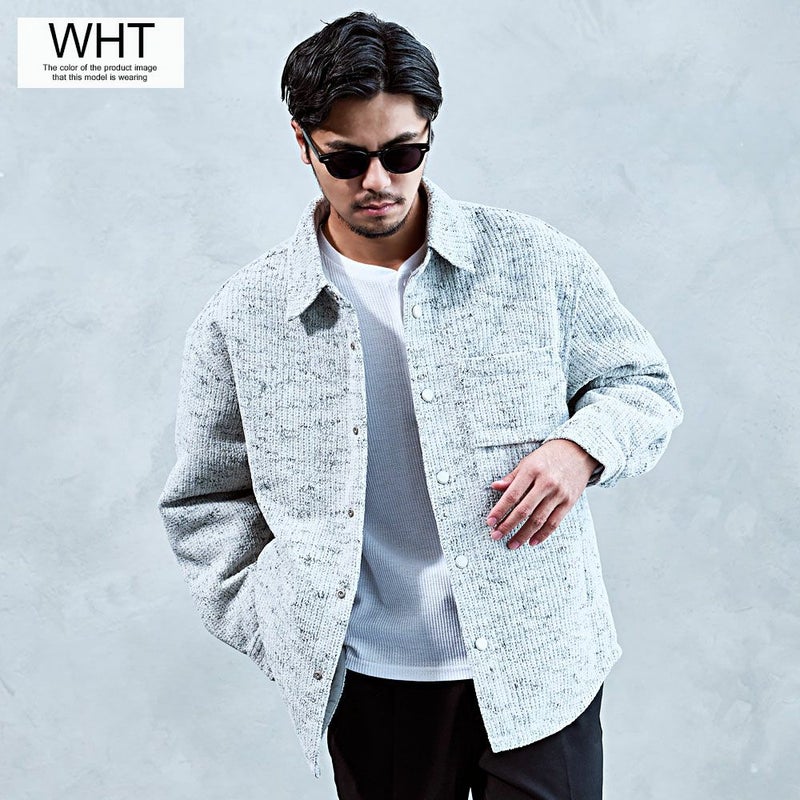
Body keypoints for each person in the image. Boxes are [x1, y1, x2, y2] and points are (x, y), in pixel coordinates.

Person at [158, 10, 683, 799]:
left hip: (541, 667)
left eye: (402, 153)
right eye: (347, 159)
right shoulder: (246, 317)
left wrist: (580, 449)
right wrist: (279, 620)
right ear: (302, 144)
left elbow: (642, 385)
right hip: (372, 686)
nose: (377, 181)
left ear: (429, 134)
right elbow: (204, 501)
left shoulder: (532, 262)